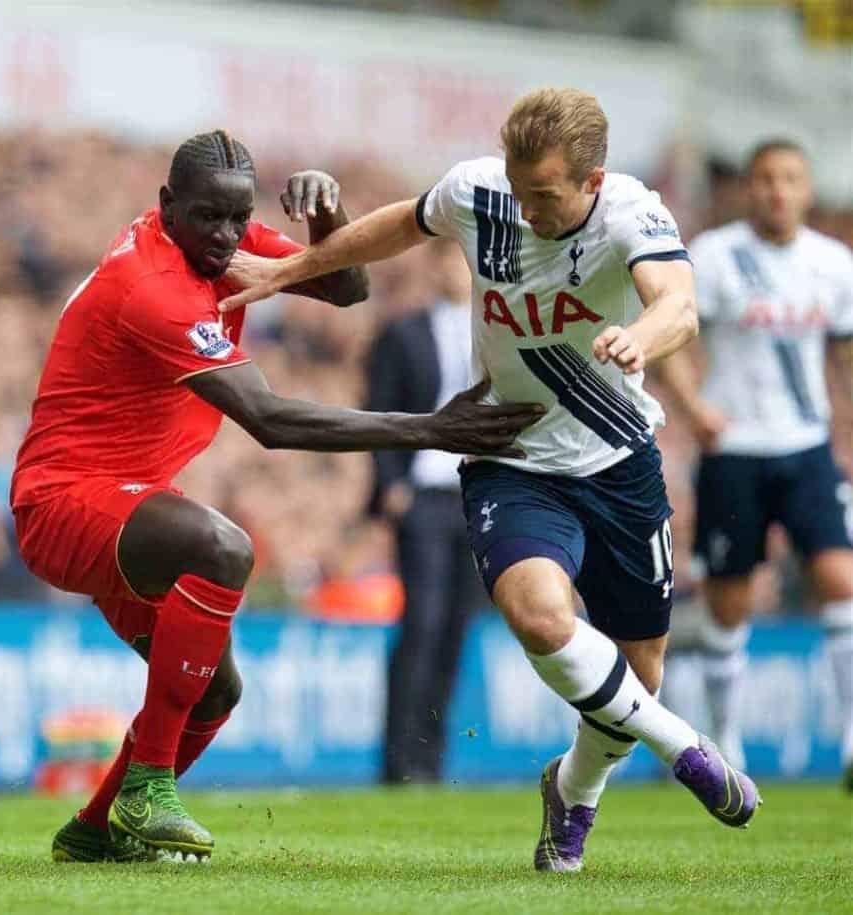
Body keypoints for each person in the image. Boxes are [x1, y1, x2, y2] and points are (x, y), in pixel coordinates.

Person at [221, 88, 762, 872]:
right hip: (510, 457)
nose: (528, 208)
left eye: (546, 195)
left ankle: (571, 792)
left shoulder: (632, 215)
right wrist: (299, 266)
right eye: (520, 188)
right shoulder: (481, 189)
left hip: (617, 462)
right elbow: (404, 222)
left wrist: (639, 338)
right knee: (543, 619)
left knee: (636, 677)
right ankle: (686, 747)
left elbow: (677, 304)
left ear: (593, 181)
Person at [10, 129, 545, 864]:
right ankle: (148, 788)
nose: (228, 237)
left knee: (214, 692)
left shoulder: (218, 243)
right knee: (224, 546)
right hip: (65, 503)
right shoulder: (154, 285)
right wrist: (433, 427)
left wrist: (327, 222)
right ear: (167, 206)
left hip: (121, 499)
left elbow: (345, 287)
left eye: (238, 217)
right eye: (209, 219)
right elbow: (270, 419)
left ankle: (96, 829)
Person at [656, 140, 853, 786]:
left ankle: (852, 740)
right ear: (749, 187)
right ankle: (727, 744)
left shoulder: (833, 265)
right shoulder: (716, 256)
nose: (777, 190)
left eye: (790, 178)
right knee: (729, 600)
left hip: (805, 445)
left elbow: (845, 354)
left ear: (806, 188)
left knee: (839, 579)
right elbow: (671, 336)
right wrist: (692, 408)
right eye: (766, 178)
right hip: (733, 449)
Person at [367, 242, 485, 784]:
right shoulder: (404, 333)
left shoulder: (500, 335)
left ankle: (431, 759)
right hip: (425, 495)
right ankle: (400, 760)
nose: (454, 273)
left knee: (457, 626)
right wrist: (391, 482)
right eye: (446, 262)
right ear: (432, 268)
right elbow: (379, 410)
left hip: (481, 496)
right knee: (422, 622)